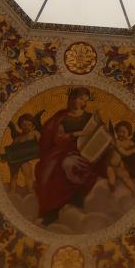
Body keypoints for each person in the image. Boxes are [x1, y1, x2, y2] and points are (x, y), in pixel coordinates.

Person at [33, 87, 104, 225]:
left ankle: (76, 204)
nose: (83, 102)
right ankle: (50, 212)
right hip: (62, 151)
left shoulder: (90, 117)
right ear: (72, 98)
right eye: (80, 99)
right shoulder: (61, 117)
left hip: (87, 151)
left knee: (84, 167)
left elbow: (100, 133)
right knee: (48, 172)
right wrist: (76, 134)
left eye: (85, 100)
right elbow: (57, 138)